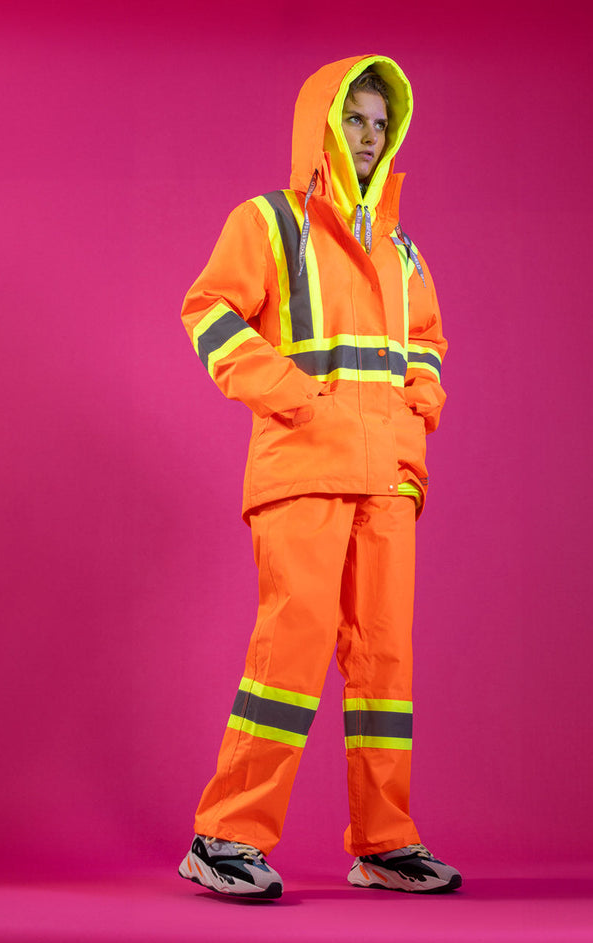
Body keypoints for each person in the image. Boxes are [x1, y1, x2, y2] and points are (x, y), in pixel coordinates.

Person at [178, 54, 461, 899]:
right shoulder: (269, 222)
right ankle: (225, 835)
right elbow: (208, 310)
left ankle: (385, 842)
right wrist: (296, 398)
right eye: (355, 119)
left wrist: (417, 414)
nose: (369, 136)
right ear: (324, 124)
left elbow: (427, 345)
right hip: (303, 469)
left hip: (386, 481)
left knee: (385, 666)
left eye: (381, 122)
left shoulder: (402, 249)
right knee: (291, 653)